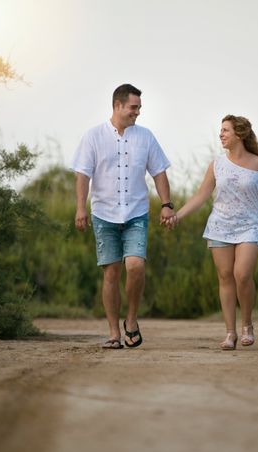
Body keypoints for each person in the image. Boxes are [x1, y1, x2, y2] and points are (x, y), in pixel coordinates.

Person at [165, 114, 258, 350]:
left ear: (239, 134)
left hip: (250, 226)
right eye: (221, 130)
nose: (221, 134)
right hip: (220, 226)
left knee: (242, 274)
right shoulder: (217, 164)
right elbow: (201, 196)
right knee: (225, 276)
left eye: (226, 130)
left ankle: (247, 324)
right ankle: (230, 333)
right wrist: (178, 215)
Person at [73, 84, 175, 349]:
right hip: (104, 215)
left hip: (136, 213)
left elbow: (159, 172)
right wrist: (81, 208)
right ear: (117, 106)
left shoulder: (146, 137)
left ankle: (131, 319)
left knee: (135, 266)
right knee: (111, 274)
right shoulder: (93, 136)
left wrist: (167, 204)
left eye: (139, 107)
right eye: (133, 107)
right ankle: (113, 333)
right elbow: (83, 174)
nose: (137, 112)